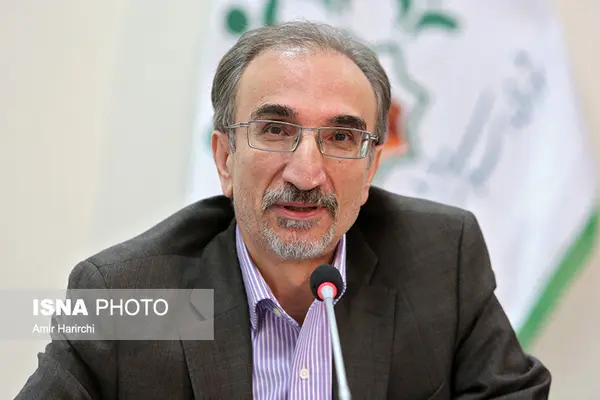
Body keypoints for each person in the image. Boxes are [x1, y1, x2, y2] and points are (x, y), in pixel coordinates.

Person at [17, 21, 551, 399]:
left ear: (370, 168)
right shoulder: (129, 294)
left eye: (341, 137)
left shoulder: (438, 260)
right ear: (225, 159)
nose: (306, 173)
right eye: (275, 130)